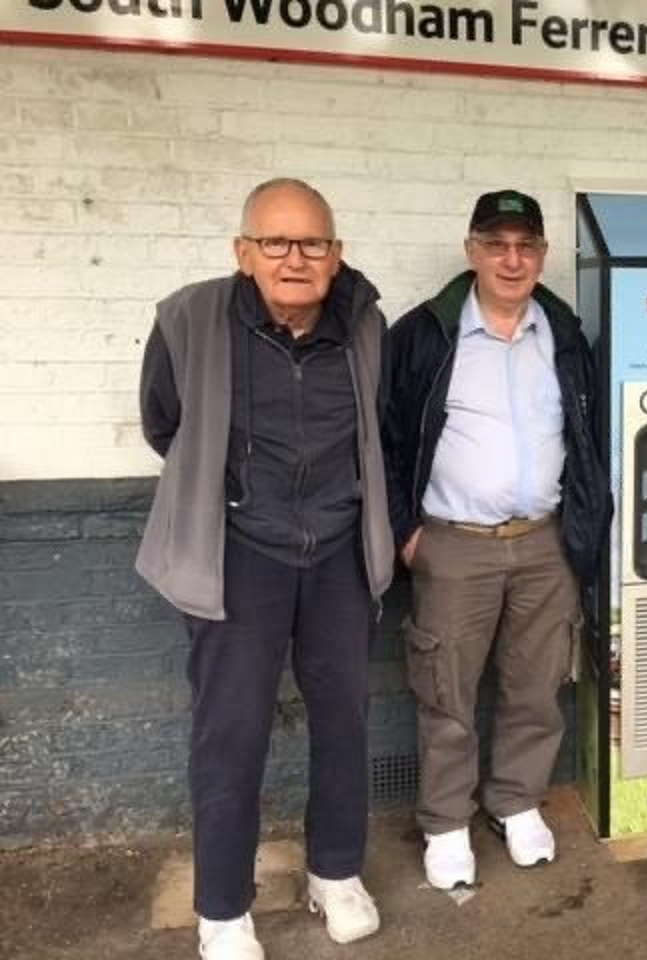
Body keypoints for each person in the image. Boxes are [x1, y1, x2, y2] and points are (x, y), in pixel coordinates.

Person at [136, 178, 393, 958]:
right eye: (275, 242)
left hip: (339, 555)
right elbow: (164, 424)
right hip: (238, 555)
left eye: (312, 242)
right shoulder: (189, 318)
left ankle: (336, 873)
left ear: (336, 253)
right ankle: (221, 907)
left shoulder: (365, 323)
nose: (294, 258)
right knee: (231, 732)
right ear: (243, 252)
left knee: (344, 721)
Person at [382, 189, 609, 890]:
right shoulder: (423, 334)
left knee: (537, 685)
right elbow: (385, 440)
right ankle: (447, 821)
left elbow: (587, 435)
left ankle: (514, 802)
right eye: (496, 244)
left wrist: (582, 524)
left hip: (544, 542)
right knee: (446, 690)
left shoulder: (563, 334)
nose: (512, 260)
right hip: (453, 543)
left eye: (526, 246)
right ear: (471, 250)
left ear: (542, 253)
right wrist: (404, 533)